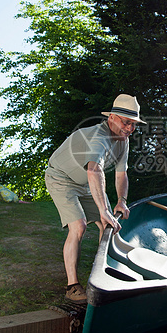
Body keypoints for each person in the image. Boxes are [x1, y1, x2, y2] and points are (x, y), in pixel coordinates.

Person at [45, 94, 146, 303]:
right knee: (79, 226)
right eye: (126, 123)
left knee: (107, 225)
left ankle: (100, 274)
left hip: (84, 183)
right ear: (112, 117)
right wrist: (104, 209)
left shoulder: (123, 141)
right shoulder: (99, 137)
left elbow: (121, 174)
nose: (129, 129)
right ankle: (72, 286)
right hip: (61, 178)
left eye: (133, 125)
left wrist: (121, 201)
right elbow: (94, 170)